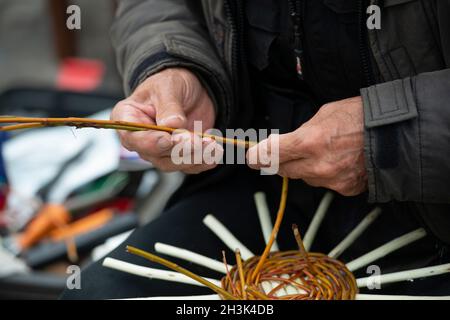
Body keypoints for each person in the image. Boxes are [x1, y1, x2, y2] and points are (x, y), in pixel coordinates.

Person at [61, 0, 450, 299]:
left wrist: (392, 135)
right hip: (250, 181)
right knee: (94, 292)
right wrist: (174, 64)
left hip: (428, 204)